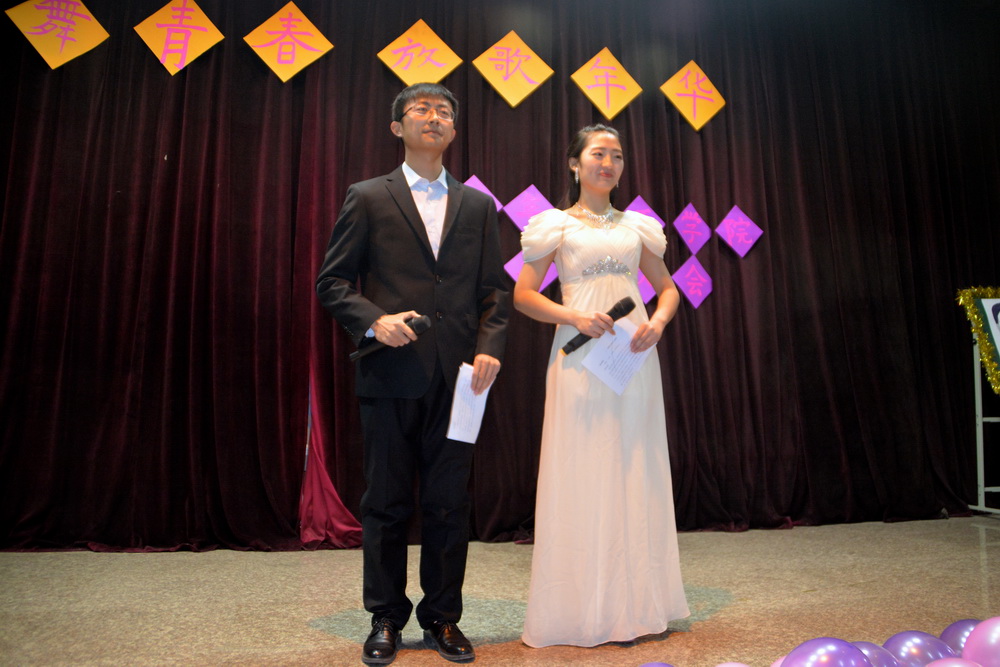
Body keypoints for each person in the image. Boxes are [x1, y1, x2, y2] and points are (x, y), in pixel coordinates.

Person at [315, 83, 510, 665]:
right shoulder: (368, 196)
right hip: (390, 373)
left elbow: (495, 291)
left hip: (460, 379)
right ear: (397, 127)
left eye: (444, 111)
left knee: (450, 503)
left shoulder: (478, 205)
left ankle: (443, 618)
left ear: (454, 130)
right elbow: (332, 282)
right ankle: (385, 617)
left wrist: (489, 347)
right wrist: (374, 321)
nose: (435, 116)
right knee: (386, 502)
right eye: (421, 109)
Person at [513, 124, 690, 648]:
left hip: (632, 359)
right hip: (580, 357)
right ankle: (578, 608)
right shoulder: (554, 226)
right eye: (597, 153)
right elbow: (523, 295)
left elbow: (668, 289)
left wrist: (658, 323)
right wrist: (573, 316)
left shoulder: (638, 227)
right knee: (583, 463)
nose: (608, 163)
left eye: (616, 155)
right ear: (575, 163)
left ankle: (636, 605)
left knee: (635, 463)